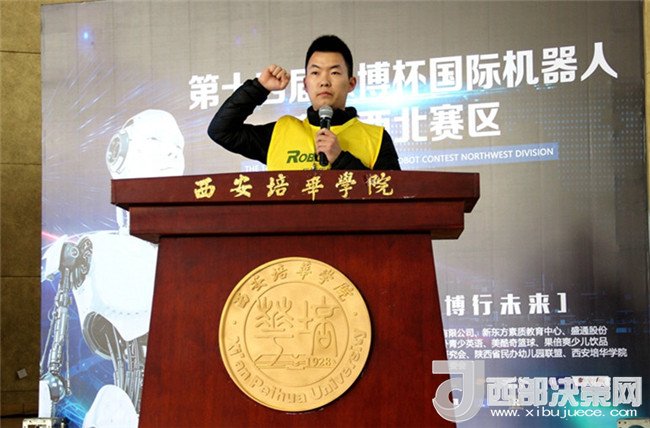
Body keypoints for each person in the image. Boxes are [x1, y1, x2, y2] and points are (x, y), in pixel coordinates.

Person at [207, 35, 401, 171]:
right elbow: (221, 131)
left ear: (351, 84)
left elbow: (392, 202)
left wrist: (341, 159)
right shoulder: (281, 132)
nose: (324, 81)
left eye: (334, 72)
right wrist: (259, 87)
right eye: (315, 72)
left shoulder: (376, 138)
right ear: (305, 84)